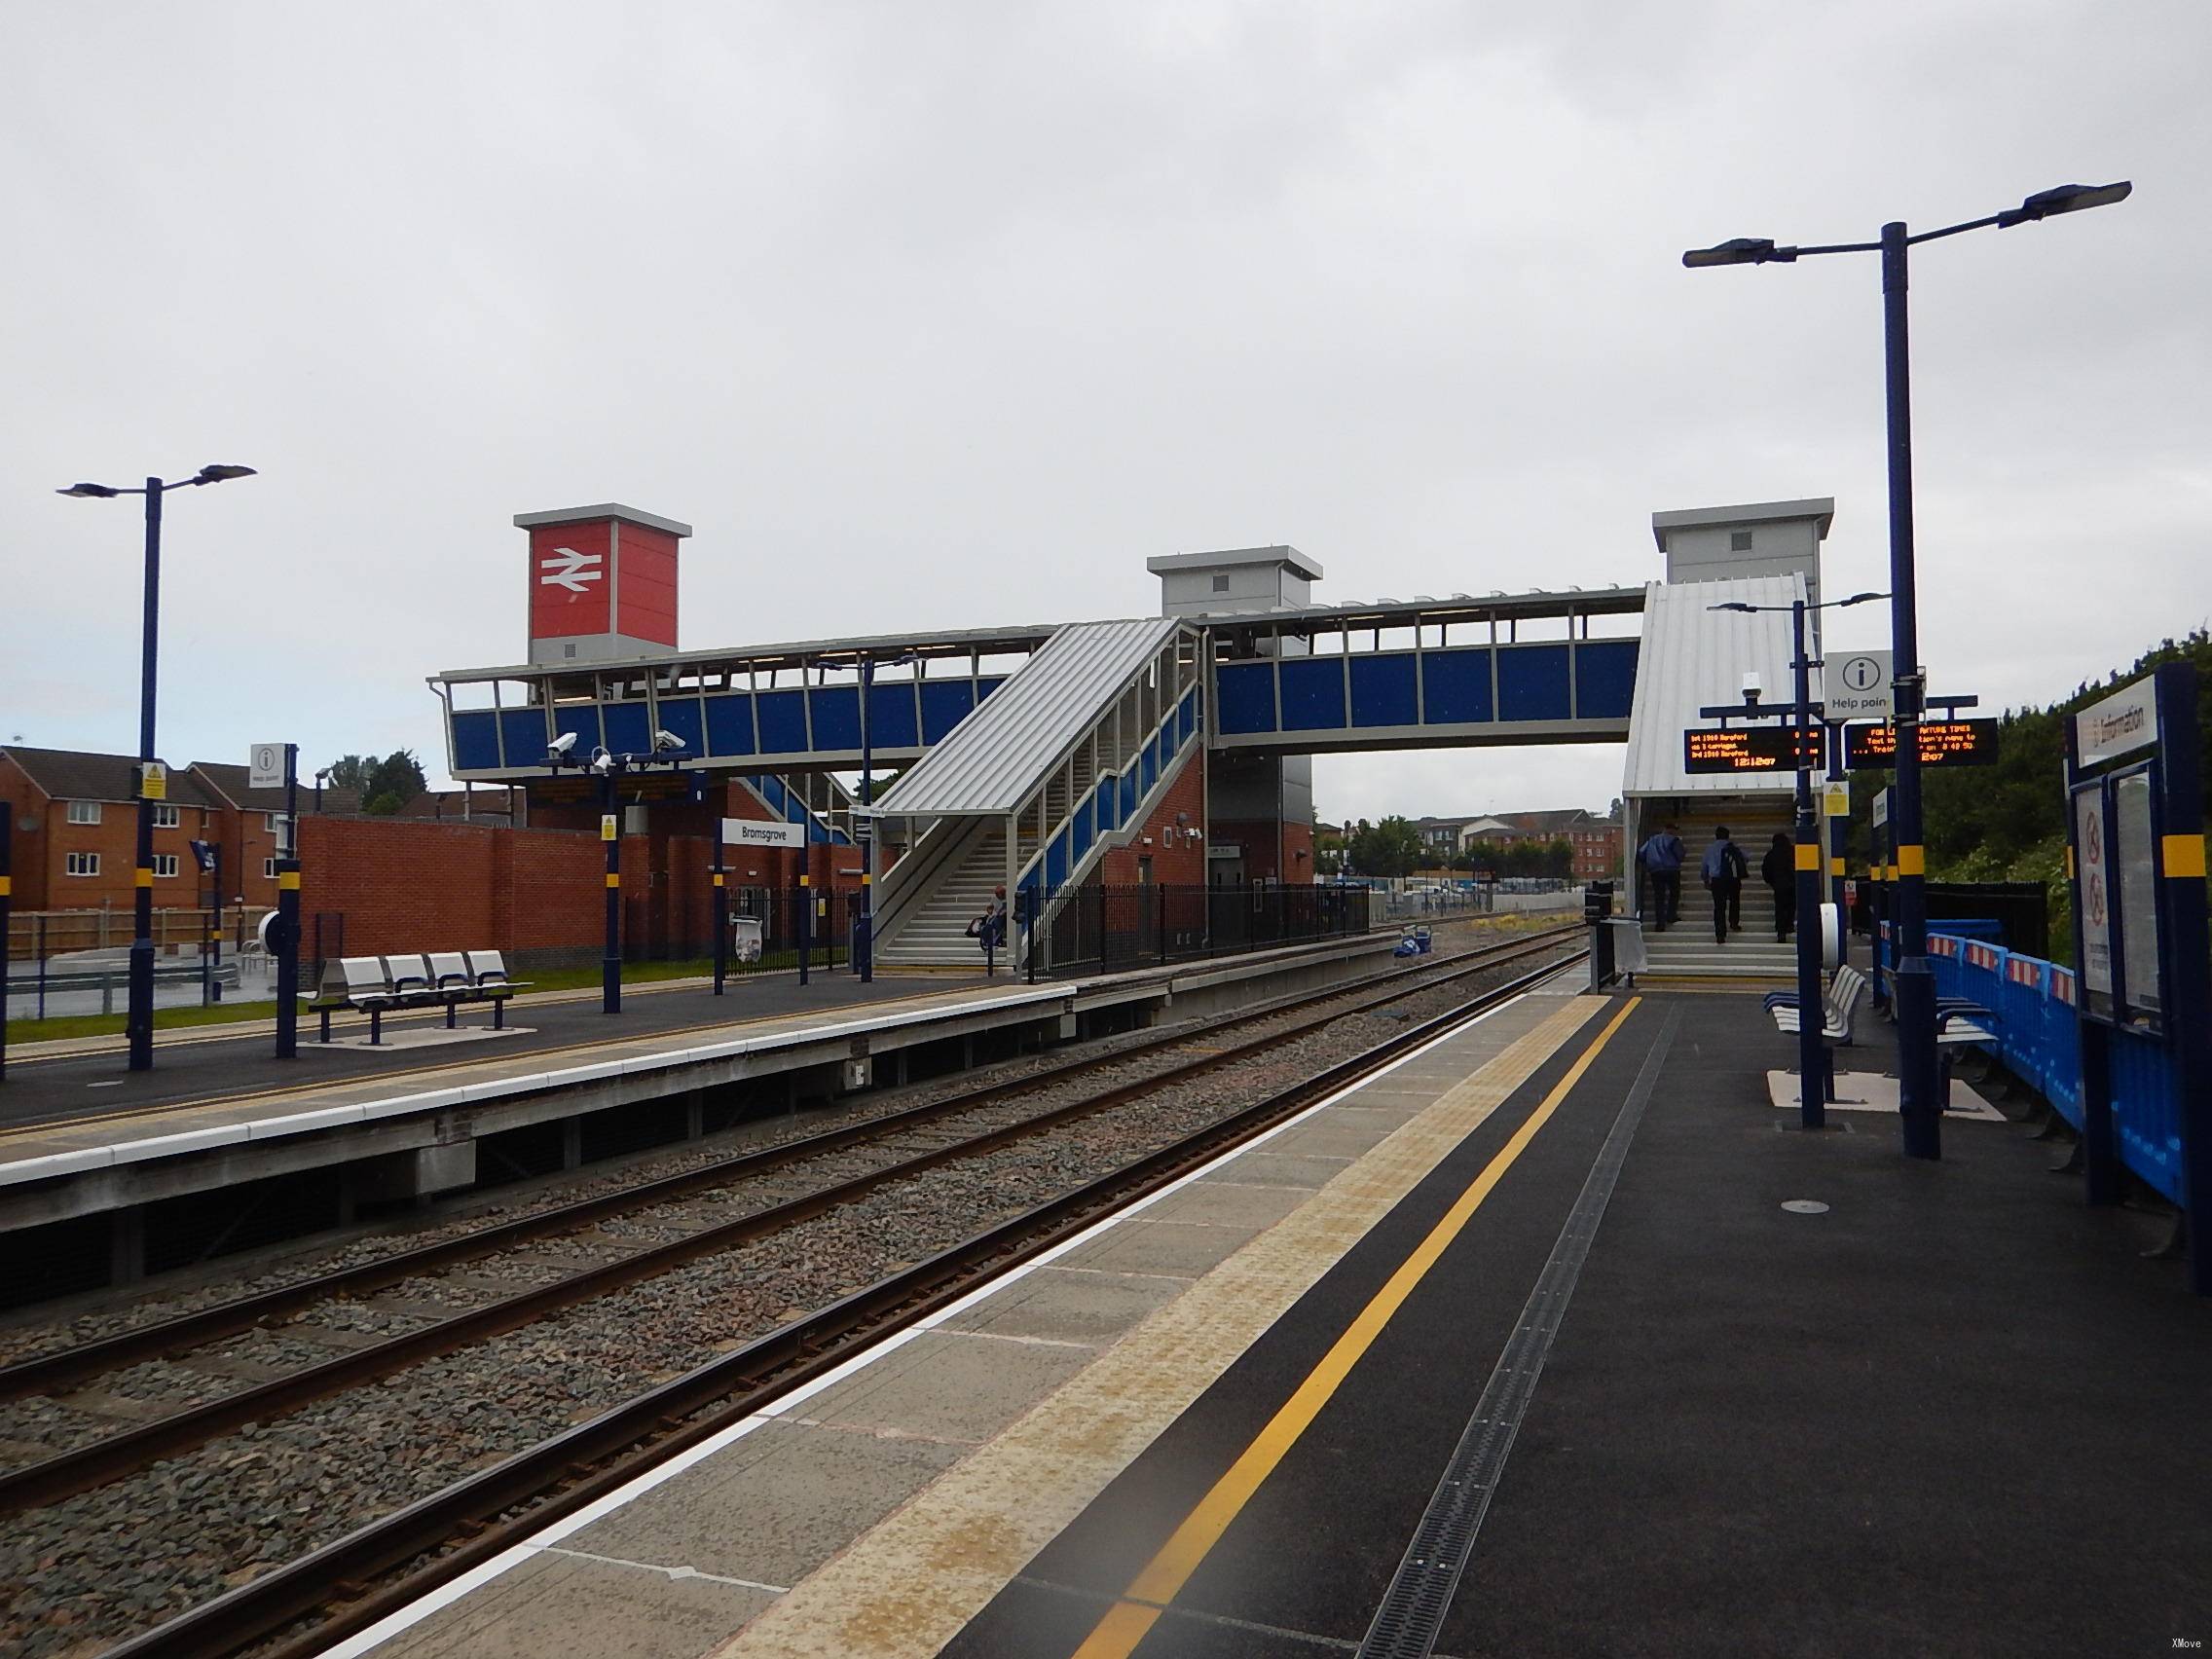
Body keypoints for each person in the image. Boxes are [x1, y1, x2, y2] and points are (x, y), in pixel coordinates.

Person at [1701, 826, 1749, 943]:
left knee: (1719, 907)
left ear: (1716, 835)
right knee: (1734, 900)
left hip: (1717, 880)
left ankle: (1720, 934)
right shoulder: (1733, 847)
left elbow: (1704, 866)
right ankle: (1734, 922)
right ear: (1728, 836)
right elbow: (1746, 858)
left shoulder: (1710, 849)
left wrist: (1705, 880)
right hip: (1732, 878)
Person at [1638, 822, 1685, 931]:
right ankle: (1671, 915)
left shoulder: (1652, 840)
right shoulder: (1674, 840)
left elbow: (1641, 853)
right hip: (1671, 870)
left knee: (1659, 896)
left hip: (1656, 871)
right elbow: (1680, 855)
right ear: (1671, 829)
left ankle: (1660, 923)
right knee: (1674, 892)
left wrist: (1649, 862)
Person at [1760, 831, 1795, 943]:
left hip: (1778, 885)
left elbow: (1765, 870)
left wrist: (1771, 882)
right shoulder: (1791, 852)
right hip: (1791, 884)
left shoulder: (1771, 854)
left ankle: (1781, 932)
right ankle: (1789, 924)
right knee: (1791, 906)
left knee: (1780, 909)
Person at [967, 883, 1009, 973]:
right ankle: (986, 940)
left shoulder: (1008, 898)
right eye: (996, 894)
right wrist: (990, 910)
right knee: (989, 923)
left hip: (1003, 918)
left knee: (995, 921)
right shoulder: (994, 899)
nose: (998, 896)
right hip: (995, 916)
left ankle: (993, 940)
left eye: (999, 894)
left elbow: (1006, 910)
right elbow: (991, 907)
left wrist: (1001, 913)